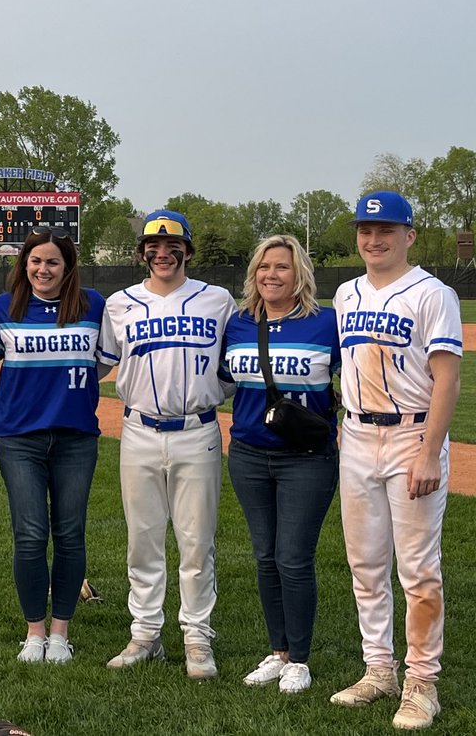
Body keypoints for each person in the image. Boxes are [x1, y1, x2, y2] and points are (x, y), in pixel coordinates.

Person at [329, 191, 462, 730]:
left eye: (386, 230)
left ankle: (422, 682)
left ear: (409, 235)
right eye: (365, 230)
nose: (374, 239)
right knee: (365, 565)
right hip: (357, 436)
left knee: (418, 570)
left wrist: (431, 451)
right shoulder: (345, 293)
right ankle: (379, 669)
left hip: (412, 437)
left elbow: (448, 378)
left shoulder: (433, 293)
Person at [97, 209, 235, 679]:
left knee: (196, 542)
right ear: (142, 255)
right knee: (143, 540)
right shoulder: (120, 303)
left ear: (187, 252)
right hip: (137, 431)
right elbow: (99, 364)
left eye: (172, 246)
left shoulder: (216, 300)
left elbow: (235, 365)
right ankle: (146, 633)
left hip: (198, 431)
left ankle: (197, 636)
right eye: (152, 248)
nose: (162, 254)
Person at [0, 227, 104, 663]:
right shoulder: (7, 308)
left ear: (68, 268)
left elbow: (114, 357)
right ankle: (35, 632)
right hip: (19, 437)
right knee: (29, 535)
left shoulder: (92, 306)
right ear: (25, 264)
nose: (43, 269)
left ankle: (60, 633)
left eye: (53, 262)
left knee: (70, 533)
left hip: (75, 437)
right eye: (36, 261)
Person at [221, 235, 339, 694]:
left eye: (282, 267)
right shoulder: (238, 325)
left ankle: (301, 660)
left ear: (300, 274)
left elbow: (356, 377)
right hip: (249, 454)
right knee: (265, 557)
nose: (272, 275)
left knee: (293, 557)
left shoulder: (325, 324)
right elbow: (225, 381)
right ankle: (279, 652)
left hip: (306, 458)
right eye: (264, 267)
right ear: (254, 274)